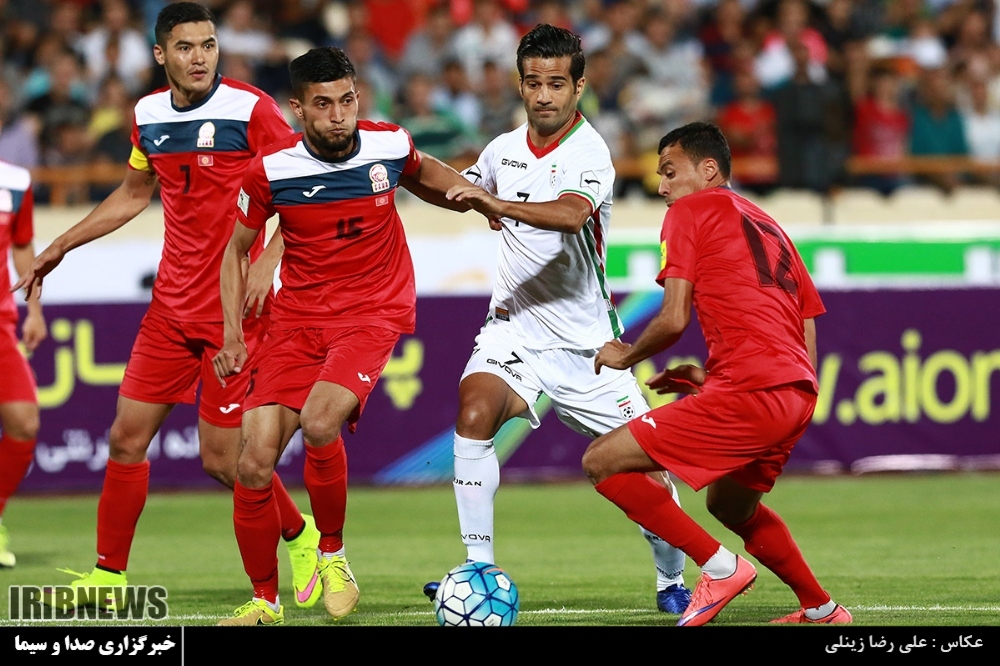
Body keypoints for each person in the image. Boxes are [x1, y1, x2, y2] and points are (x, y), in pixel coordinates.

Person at [13, 3, 320, 611]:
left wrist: (268, 258)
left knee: (222, 461)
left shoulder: (250, 108)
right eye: (186, 47)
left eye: (208, 45)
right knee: (126, 440)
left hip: (235, 315)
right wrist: (59, 246)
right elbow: (132, 193)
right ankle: (108, 578)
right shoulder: (147, 116)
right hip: (170, 310)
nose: (200, 56)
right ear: (161, 55)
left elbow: (304, 179)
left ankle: (302, 535)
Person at [426, 23, 691, 613]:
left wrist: (496, 203)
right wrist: (403, 160)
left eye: (555, 83)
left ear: (577, 86)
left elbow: (571, 215)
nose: (543, 95)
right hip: (515, 329)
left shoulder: (590, 152)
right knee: (473, 414)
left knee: (646, 474)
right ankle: (478, 571)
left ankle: (671, 580)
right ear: (521, 86)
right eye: (533, 83)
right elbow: (452, 191)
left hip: (588, 347)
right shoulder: (502, 150)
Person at [211, 46, 474, 626]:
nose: (338, 116)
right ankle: (264, 602)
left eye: (347, 101)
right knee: (250, 463)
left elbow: (431, 179)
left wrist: (482, 202)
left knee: (320, 421)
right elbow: (233, 252)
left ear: (360, 98)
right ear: (298, 108)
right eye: (323, 104)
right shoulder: (272, 171)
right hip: (296, 321)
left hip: (371, 312)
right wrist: (232, 335)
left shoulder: (389, 144)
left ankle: (333, 554)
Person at [581, 121, 852, 627]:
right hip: (796, 391)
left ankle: (719, 567)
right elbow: (804, 322)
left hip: (754, 389)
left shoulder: (690, 210)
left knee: (603, 461)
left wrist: (627, 354)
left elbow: (673, 317)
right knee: (731, 504)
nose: (661, 187)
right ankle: (822, 610)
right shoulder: (768, 224)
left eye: (669, 171)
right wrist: (718, 378)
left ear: (708, 170)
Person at [0, 159, 46, 568]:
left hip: (2, 325)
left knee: (24, 422)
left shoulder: (15, 182)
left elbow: (20, 245)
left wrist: (33, 310)